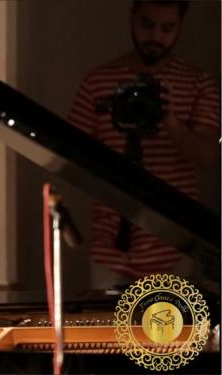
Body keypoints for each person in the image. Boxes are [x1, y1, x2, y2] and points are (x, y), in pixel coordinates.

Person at [68, 0, 220, 288]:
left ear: (180, 26)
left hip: (175, 251)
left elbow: (208, 156)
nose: (156, 37)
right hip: (110, 251)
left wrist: (170, 120)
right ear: (132, 18)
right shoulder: (98, 82)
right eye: (147, 25)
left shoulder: (198, 83)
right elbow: (69, 161)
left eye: (167, 28)